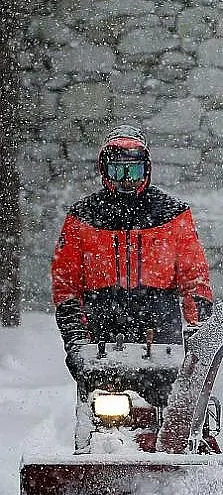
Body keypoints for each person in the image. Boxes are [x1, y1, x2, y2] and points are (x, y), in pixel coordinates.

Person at [51, 125, 214, 383]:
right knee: (96, 406)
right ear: (104, 171)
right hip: (101, 331)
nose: (126, 180)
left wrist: (197, 329)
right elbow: (66, 284)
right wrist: (75, 337)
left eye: (134, 171)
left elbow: (194, 276)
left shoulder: (173, 214)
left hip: (161, 332)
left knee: (172, 409)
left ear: (146, 170)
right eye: (117, 171)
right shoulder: (81, 217)